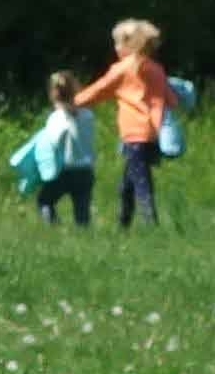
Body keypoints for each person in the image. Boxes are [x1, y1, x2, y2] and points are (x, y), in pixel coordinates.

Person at [69, 18, 180, 231]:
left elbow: (99, 90)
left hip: (134, 135)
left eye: (117, 43)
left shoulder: (123, 69)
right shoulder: (155, 68)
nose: (115, 48)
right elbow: (171, 99)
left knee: (141, 183)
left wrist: (73, 103)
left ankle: (150, 223)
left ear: (129, 44)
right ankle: (123, 225)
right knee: (127, 184)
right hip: (153, 133)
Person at [11, 73, 94, 227]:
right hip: (85, 169)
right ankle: (84, 235)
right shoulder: (88, 115)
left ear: (53, 95)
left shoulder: (56, 118)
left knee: (45, 201)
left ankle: (54, 228)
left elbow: (52, 143)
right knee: (82, 209)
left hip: (64, 170)